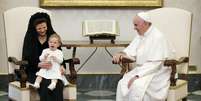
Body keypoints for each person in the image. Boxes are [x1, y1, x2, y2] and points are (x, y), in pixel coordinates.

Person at [113, 12, 175, 101]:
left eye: (136, 25)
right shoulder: (141, 35)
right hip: (143, 70)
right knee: (122, 83)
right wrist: (121, 53)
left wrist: (137, 76)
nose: (134, 28)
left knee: (137, 85)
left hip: (157, 72)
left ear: (145, 23)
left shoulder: (158, 37)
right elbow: (131, 50)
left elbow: (155, 63)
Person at [22, 12, 66, 101]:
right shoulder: (29, 38)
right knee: (45, 83)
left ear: (48, 26)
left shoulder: (53, 37)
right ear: (34, 28)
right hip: (34, 70)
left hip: (53, 69)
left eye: (44, 27)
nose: (42, 30)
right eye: (39, 28)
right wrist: (39, 64)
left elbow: (59, 54)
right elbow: (27, 58)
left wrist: (62, 66)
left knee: (58, 83)